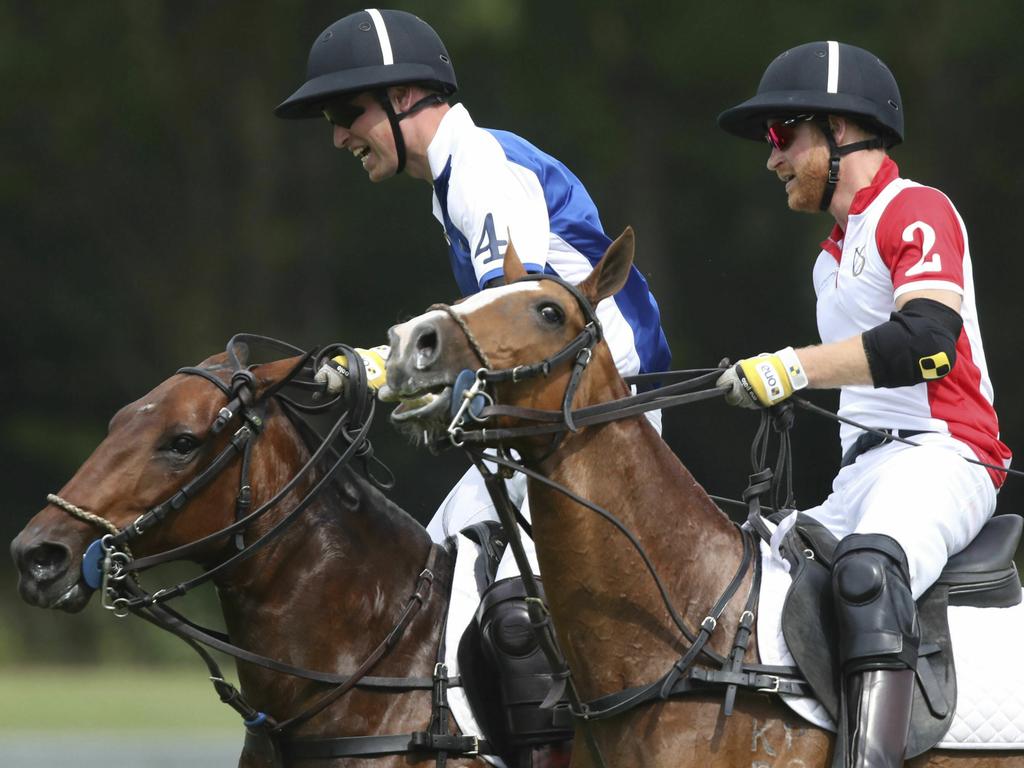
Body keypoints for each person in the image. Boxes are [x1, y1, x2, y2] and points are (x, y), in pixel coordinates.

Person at [275, 8, 671, 759]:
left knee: (459, 603)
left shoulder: (484, 169)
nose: (337, 135)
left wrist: (389, 372)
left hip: (597, 420)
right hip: (566, 418)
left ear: (406, 97)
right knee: (436, 578)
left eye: (346, 112)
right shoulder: (457, 180)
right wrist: (375, 368)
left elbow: (510, 328)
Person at [716, 41, 1011, 768]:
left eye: (783, 135)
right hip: (863, 474)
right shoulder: (829, 258)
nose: (772, 159)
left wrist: (791, 369)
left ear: (842, 130)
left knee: (866, 572)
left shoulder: (915, 209)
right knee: (739, 572)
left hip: (948, 455)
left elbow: (927, 342)